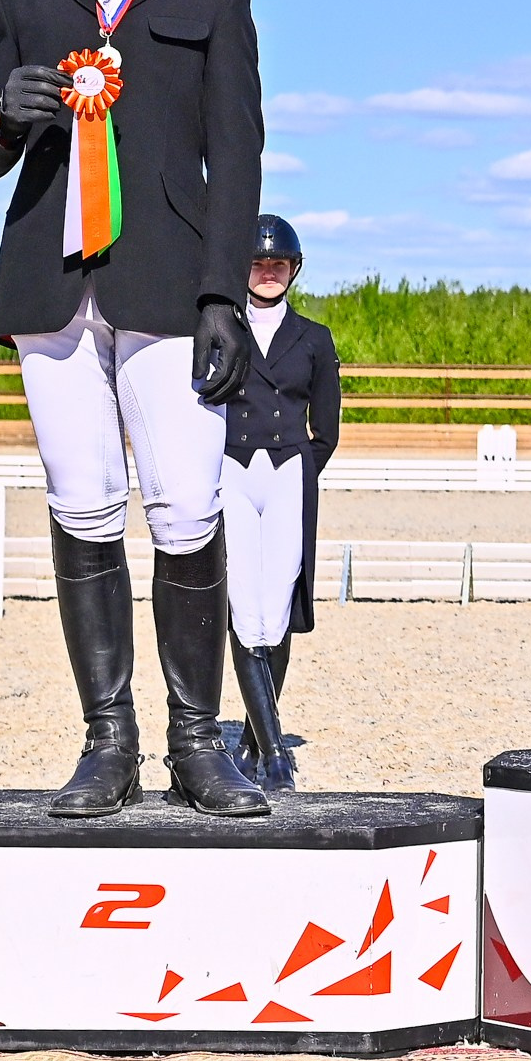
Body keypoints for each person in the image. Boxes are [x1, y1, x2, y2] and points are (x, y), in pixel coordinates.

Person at [0, 0, 266, 819]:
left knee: (185, 506)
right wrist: (7, 112)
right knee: (83, 503)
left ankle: (197, 742)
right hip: (52, 280)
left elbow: (239, 154)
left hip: (173, 282)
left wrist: (226, 292)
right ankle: (107, 743)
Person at [221, 215, 338, 790]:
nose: (268, 273)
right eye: (258, 264)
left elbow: (328, 426)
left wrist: (299, 466)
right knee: (244, 602)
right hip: (232, 468)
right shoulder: (219, 325)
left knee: (277, 603)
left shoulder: (314, 337)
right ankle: (274, 753)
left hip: (289, 470)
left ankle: (250, 737)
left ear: (292, 270)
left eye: (278, 265)